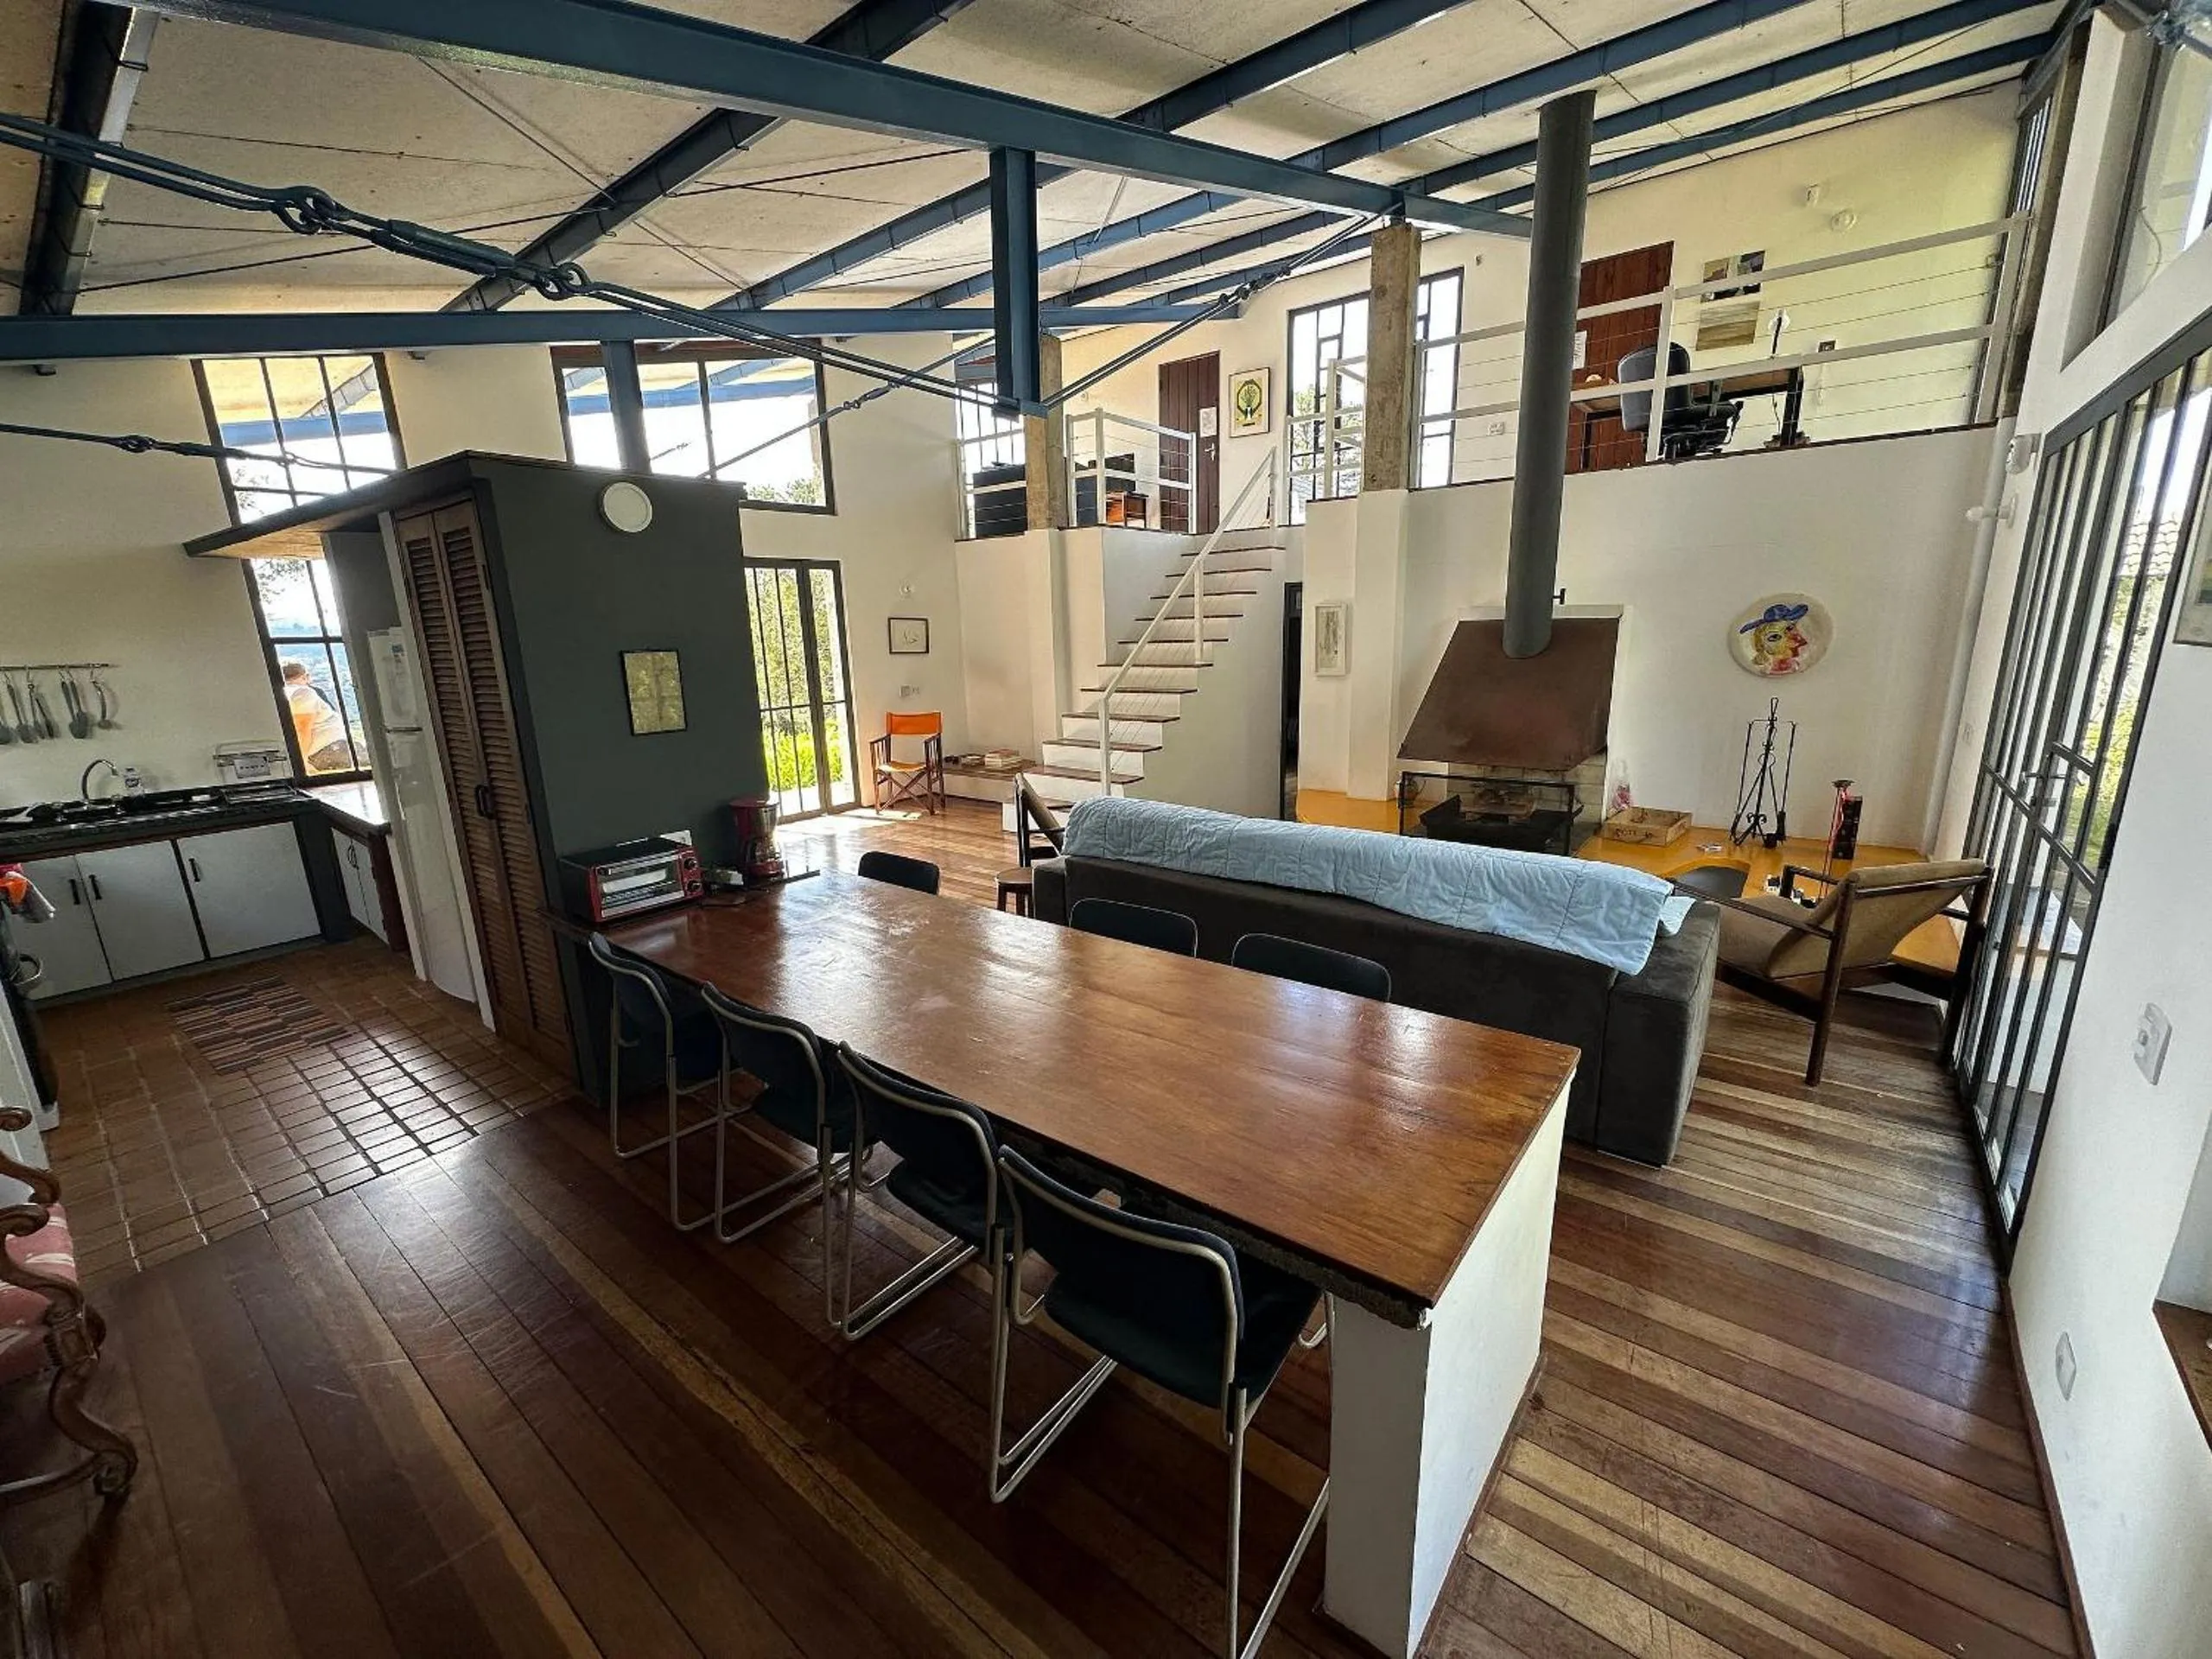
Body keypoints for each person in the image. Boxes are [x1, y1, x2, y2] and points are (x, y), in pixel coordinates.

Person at [282, 660, 353, 772]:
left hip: (323, 752)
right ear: (305, 677)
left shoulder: (285, 693)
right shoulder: (302, 692)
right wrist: (301, 764)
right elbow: (302, 729)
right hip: (329, 750)